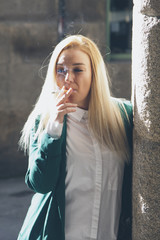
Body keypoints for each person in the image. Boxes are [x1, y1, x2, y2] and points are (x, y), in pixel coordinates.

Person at [17, 35, 133, 240]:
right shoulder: (45, 120)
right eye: (61, 70)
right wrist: (54, 127)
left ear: (94, 74)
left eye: (78, 69)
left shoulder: (123, 116)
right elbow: (40, 184)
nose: (68, 78)